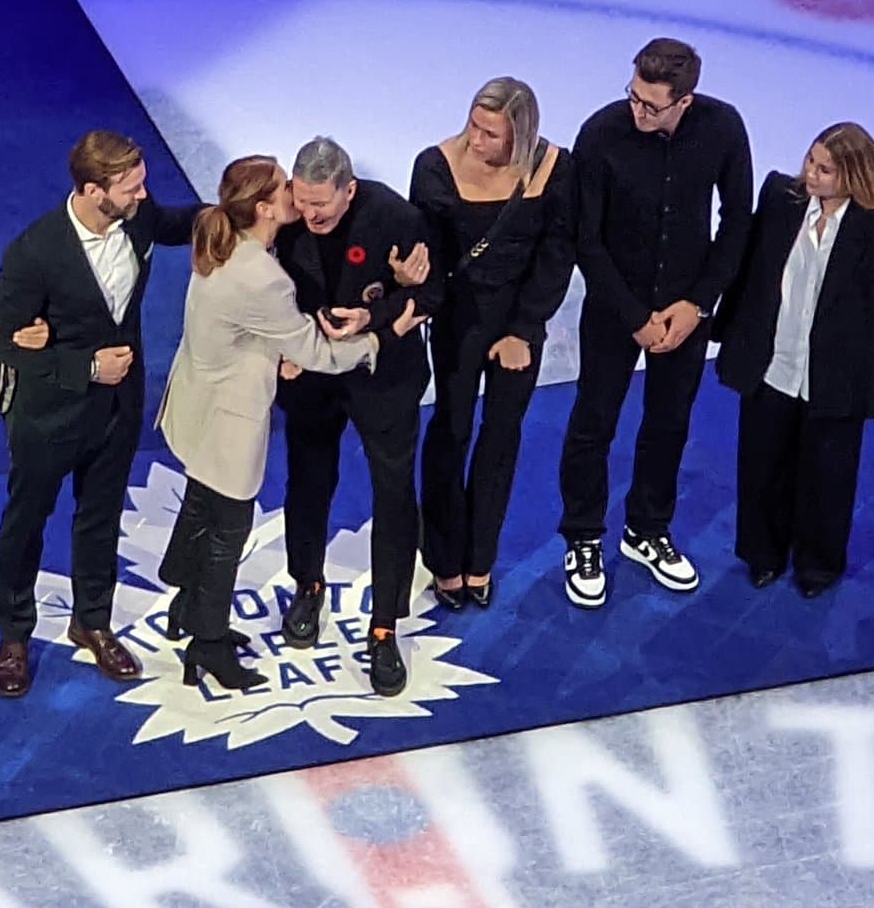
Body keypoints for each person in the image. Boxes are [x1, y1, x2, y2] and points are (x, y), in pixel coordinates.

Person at [156, 156, 387, 690]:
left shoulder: (222, 242)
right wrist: (376, 340)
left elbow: (244, 327)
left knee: (201, 503)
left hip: (195, 398)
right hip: (228, 419)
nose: (293, 193)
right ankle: (208, 644)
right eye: (284, 186)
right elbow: (317, 352)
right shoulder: (262, 277)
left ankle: (187, 605)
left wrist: (270, 345)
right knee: (227, 530)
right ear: (263, 207)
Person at [0, 129, 199, 698]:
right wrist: (83, 368)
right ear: (91, 190)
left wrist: (250, 207)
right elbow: (3, 345)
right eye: (130, 187)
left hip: (118, 407)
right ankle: (13, 635)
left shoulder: (140, 218)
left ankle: (93, 621)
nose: (143, 194)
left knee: (100, 515)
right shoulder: (34, 253)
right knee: (26, 521)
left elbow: (186, 223)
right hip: (49, 414)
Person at [559, 38, 753, 607]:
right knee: (594, 420)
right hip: (616, 305)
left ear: (684, 101)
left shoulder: (722, 127)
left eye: (651, 104)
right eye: (634, 97)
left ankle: (647, 528)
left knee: (668, 422)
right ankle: (584, 535)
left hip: (686, 311)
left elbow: (737, 221)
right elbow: (585, 238)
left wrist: (697, 304)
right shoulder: (600, 134)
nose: (638, 111)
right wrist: (634, 316)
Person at [711, 124, 874, 597]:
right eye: (810, 162)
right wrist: (727, 334)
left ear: (854, 176)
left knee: (828, 478)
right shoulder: (781, 199)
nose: (811, 175)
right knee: (761, 465)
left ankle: (818, 566)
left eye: (825, 169)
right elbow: (751, 272)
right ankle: (762, 553)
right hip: (773, 363)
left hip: (837, 377)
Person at [273, 136, 440, 697]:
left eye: (322, 202)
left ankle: (385, 626)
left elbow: (436, 291)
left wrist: (373, 316)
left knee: (393, 492)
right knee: (308, 481)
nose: (311, 213)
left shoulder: (395, 215)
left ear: (350, 189)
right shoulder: (287, 217)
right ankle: (308, 585)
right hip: (313, 376)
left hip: (382, 377)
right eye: (303, 200)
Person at [409, 77, 575, 610]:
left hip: (518, 325)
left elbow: (556, 256)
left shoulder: (553, 168)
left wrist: (523, 330)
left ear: (520, 137)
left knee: (501, 438)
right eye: (475, 128)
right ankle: (444, 560)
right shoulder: (434, 166)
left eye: (492, 135)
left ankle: (479, 560)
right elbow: (427, 248)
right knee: (452, 430)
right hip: (459, 321)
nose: (478, 142)